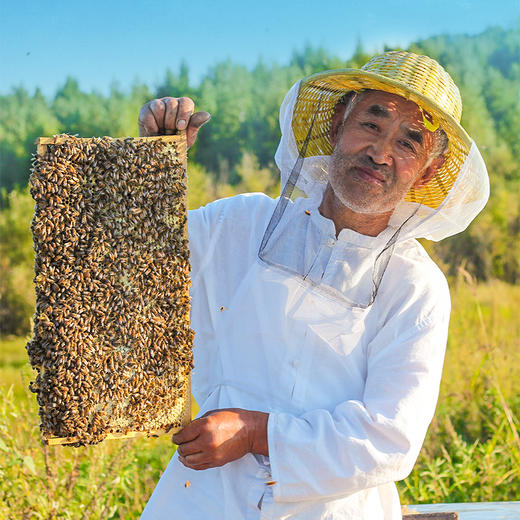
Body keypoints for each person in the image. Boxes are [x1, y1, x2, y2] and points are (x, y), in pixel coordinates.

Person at [138, 51, 489, 519]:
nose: (381, 153)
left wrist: (255, 431)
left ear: (425, 171)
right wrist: (153, 168)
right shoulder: (238, 223)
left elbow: (390, 437)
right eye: (371, 123)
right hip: (202, 499)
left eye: (409, 142)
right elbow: (133, 269)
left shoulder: (415, 285)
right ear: (336, 127)